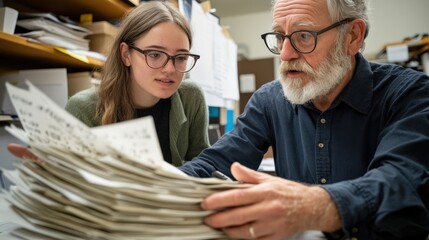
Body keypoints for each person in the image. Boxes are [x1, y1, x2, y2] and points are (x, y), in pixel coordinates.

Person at [179, 0, 429, 239]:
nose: (285, 54)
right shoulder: (269, 100)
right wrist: (155, 186)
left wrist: (316, 207)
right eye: (279, 37)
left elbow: (401, 180)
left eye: (304, 36)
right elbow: (216, 163)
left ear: (352, 36)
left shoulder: (409, 94)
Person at [8, 1, 210, 167]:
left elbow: (202, 164)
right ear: (126, 55)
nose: (170, 69)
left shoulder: (191, 97)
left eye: (181, 57)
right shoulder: (84, 108)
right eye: (155, 54)